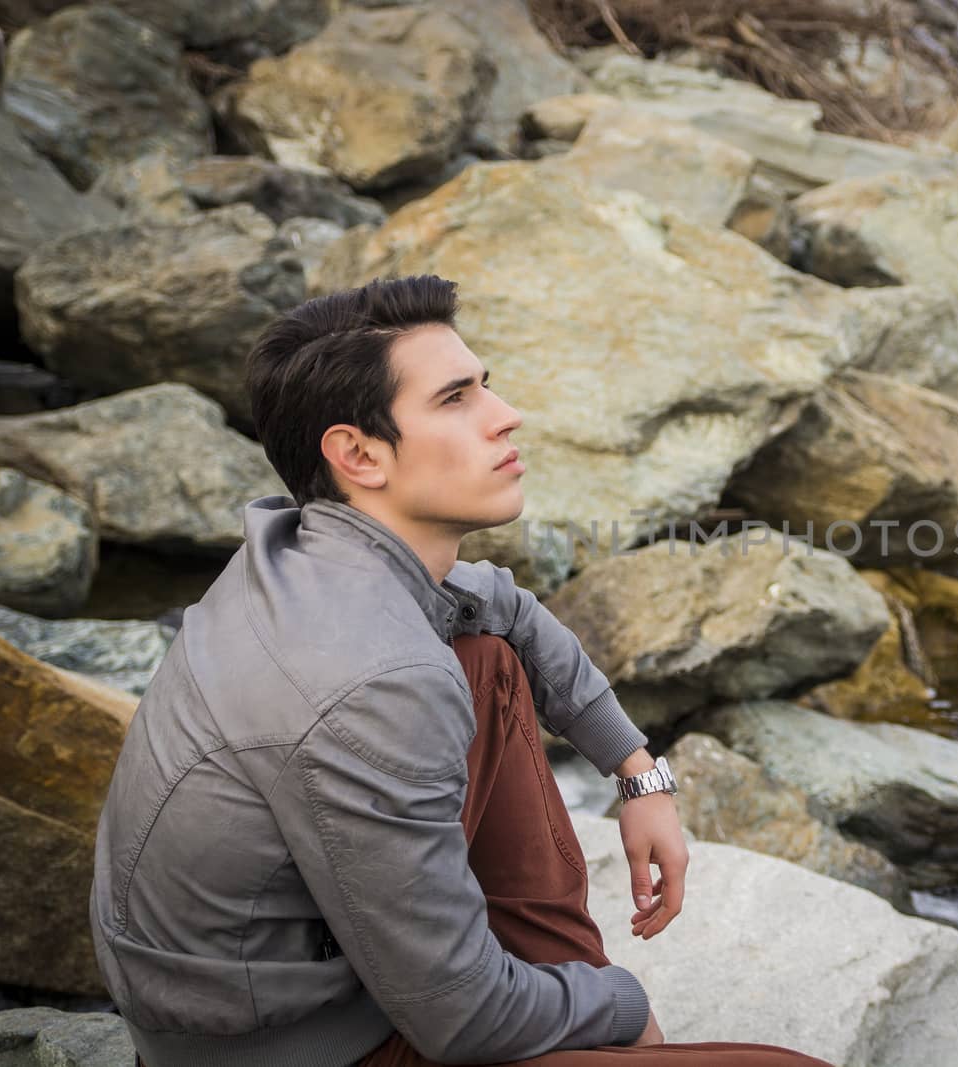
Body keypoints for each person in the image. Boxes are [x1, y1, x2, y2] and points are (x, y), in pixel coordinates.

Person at [88, 274, 832, 1067]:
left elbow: (503, 604)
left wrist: (638, 772)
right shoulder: (376, 681)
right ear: (358, 454)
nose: (505, 415)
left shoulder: (312, 551)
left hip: (306, 973)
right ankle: (583, 1007)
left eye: (488, 385)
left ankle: (562, 973)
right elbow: (462, 1018)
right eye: (455, 399)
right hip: (294, 1047)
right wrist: (622, 1004)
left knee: (487, 659)